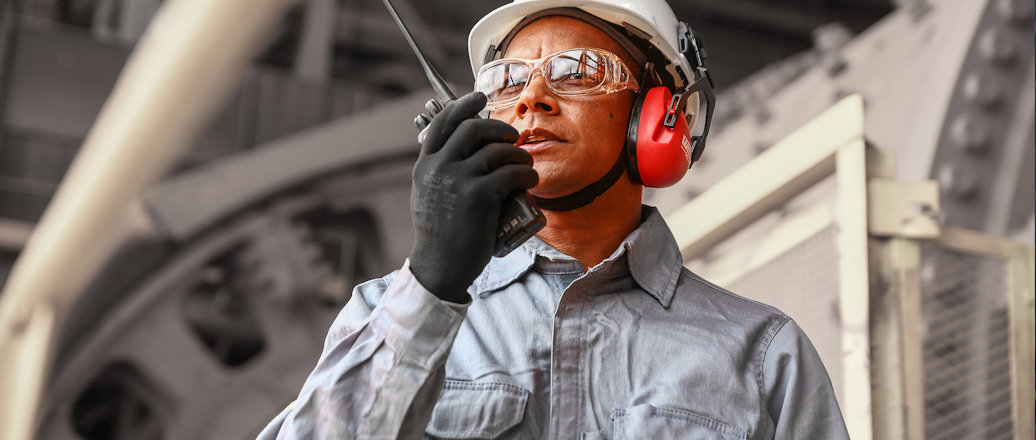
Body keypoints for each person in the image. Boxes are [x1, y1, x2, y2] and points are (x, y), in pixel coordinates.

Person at [259, 0, 849, 438]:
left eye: (577, 71)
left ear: (658, 115)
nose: (530, 98)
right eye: (508, 80)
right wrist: (431, 286)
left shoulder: (764, 355)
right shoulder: (384, 313)